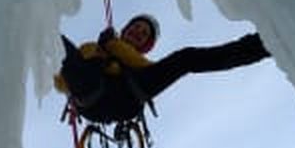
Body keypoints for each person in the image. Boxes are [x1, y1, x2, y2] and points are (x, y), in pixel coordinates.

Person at [55, 14, 271, 123]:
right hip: (93, 92)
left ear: (144, 46)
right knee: (57, 45)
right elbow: (63, 82)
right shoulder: (92, 47)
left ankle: (260, 45)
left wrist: (112, 45)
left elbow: (143, 67)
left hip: (126, 95)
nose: (138, 32)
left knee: (186, 58)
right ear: (126, 29)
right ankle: (35, 28)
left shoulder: (134, 59)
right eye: (136, 28)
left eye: (143, 34)